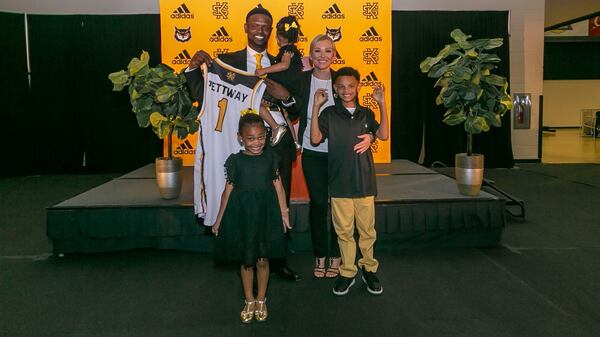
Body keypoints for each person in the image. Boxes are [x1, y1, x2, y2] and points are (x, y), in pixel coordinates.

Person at [185, 6, 300, 281]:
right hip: (232, 138)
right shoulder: (225, 61)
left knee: (275, 194)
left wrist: (284, 97)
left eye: (265, 27)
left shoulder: (284, 61)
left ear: (271, 31)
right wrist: (192, 66)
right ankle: (238, 252)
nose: (260, 31)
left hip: (275, 140)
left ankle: (278, 258)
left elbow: (296, 106)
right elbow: (201, 93)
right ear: (245, 27)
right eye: (255, 25)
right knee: (236, 192)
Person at [284, 35, 373, 279]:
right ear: (310, 56)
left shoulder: (341, 81)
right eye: (317, 51)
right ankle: (320, 254)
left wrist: (371, 136)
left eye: (328, 51)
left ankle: (337, 254)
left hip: (341, 155)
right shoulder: (301, 80)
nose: (323, 55)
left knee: (340, 205)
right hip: (313, 152)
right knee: (319, 203)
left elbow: (362, 117)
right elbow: (289, 106)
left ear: (334, 55)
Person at [310, 66, 388, 296]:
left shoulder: (366, 114)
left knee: (367, 231)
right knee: (343, 232)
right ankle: (347, 272)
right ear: (334, 88)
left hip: (364, 182)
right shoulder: (329, 114)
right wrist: (315, 107)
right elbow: (315, 139)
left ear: (358, 87)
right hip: (339, 183)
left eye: (351, 86)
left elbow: (383, 135)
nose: (346, 90)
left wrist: (382, 103)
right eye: (341, 86)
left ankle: (369, 269)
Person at [212, 113, 292, 323]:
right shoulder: (235, 161)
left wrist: (284, 214)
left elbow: (278, 187)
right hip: (243, 214)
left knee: (263, 259)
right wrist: (219, 218)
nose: (256, 142)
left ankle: (261, 299)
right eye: (250, 138)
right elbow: (227, 191)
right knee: (246, 260)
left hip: (266, 214)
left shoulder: (271, 158)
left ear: (265, 135)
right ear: (240, 137)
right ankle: (249, 300)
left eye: (260, 137)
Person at [254, 15, 303, 146]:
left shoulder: (288, 50)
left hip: (283, 84)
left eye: (277, 36)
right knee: (285, 114)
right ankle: (295, 141)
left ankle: (275, 127)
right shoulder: (292, 50)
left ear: (279, 36)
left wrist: (264, 70)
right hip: (290, 86)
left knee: (255, 101)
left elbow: (284, 65)